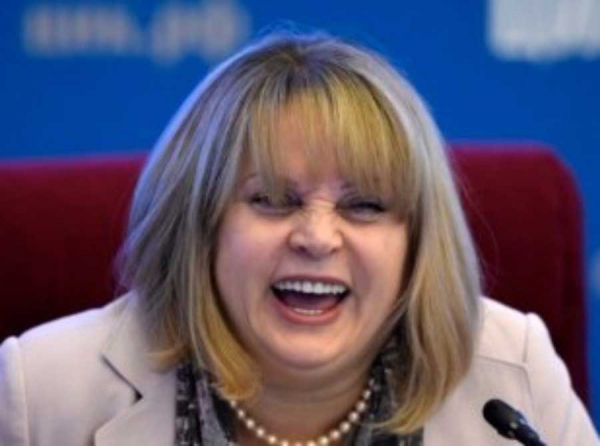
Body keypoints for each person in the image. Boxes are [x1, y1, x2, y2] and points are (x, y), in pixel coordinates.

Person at [0, 31, 597, 446]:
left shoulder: (514, 374)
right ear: (199, 224)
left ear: (418, 243)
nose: (316, 237)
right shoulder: (44, 390)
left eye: (364, 206)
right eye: (271, 200)